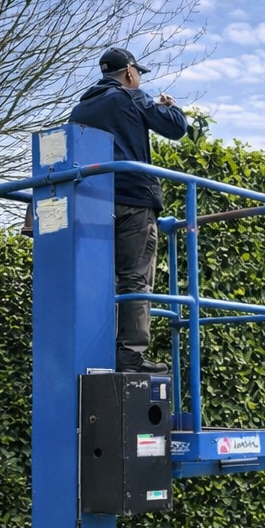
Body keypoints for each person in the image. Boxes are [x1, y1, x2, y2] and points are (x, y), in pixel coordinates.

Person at [69, 47, 188, 373]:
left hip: (91, 205)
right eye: (137, 75)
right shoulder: (130, 96)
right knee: (135, 280)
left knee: (96, 280)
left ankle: (95, 354)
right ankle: (130, 358)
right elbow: (176, 129)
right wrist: (171, 107)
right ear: (130, 72)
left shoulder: (80, 108)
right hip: (134, 200)